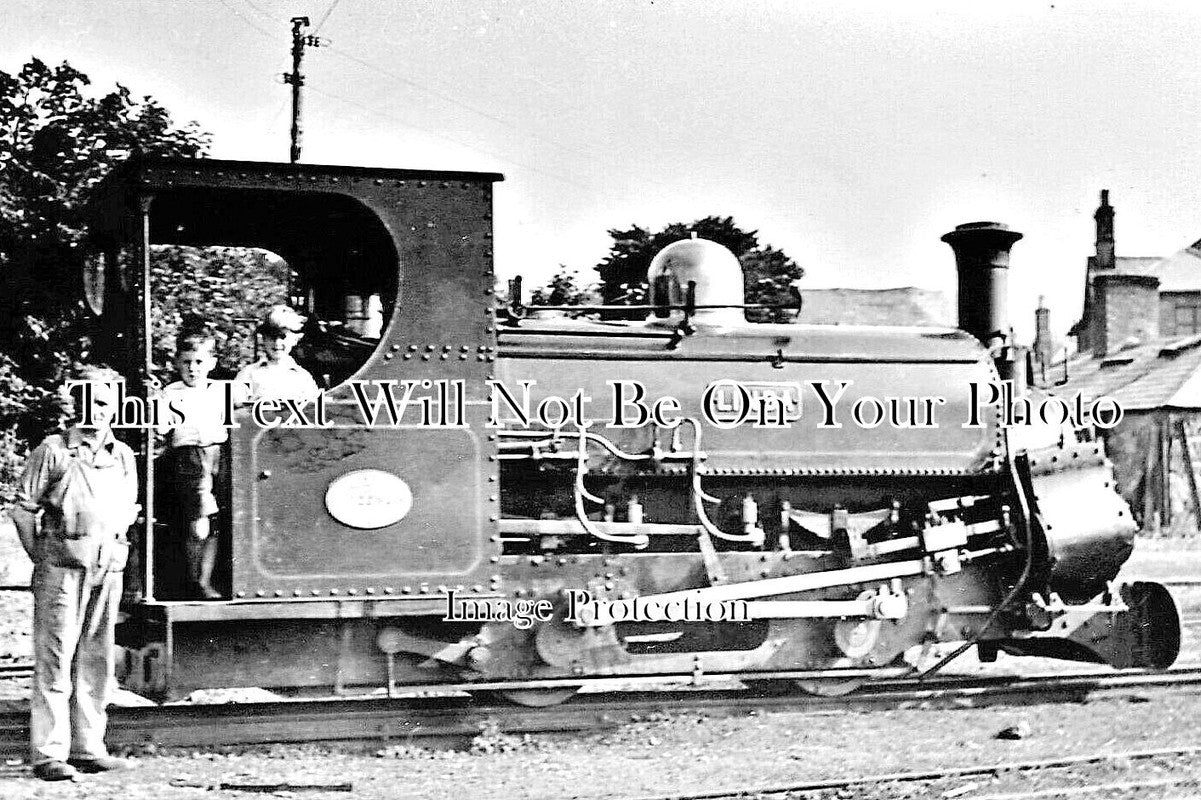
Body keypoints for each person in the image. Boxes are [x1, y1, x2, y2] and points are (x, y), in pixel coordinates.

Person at [10, 366, 139, 781]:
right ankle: (49, 754)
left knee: (96, 659)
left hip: (107, 568)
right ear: (74, 403)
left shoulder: (121, 455)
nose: (96, 411)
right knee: (56, 659)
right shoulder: (54, 449)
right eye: (88, 401)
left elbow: (127, 513)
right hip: (62, 568)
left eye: (104, 402)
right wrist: (44, 558)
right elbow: (22, 510)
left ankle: (88, 747)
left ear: (117, 407)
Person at [158, 329, 229, 600]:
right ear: (177, 363)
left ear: (211, 363)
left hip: (220, 456)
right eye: (186, 362)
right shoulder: (169, 393)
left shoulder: (222, 391)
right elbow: (162, 427)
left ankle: (204, 578)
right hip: (190, 458)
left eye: (199, 362)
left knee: (216, 522)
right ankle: (195, 582)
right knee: (199, 523)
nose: (192, 368)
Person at [235, 305, 320, 402]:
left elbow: (314, 411)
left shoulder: (303, 377)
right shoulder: (248, 374)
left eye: (283, 337)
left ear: (295, 339)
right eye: (272, 337)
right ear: (263, 338)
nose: (277, 343)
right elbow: (235, 410)